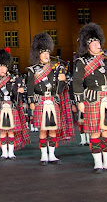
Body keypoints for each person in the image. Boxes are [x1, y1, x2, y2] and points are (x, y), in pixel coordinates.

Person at [73, 23, 107, 173]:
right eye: (93, 43)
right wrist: (79, 101)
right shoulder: (81, 61)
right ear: (87, 46)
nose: (97, 45)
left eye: (98, 42)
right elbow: (77, 82)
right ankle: (98, 162)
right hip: (93, 97)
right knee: (95, 131)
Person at [26, 32, 70, 165]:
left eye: (47, 52)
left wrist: (63, 80)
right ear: (37, 54)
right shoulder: (32, 70)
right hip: (40, 101)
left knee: (53, 129)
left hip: (52, 101)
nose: (46, 55)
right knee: (43, 129)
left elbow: (59, 89)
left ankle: (52, 154)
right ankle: (43, 155)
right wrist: (31, 102)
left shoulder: (55, 69)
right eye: (43, 52)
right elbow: (30, 88)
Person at [0, 48, 30, 159]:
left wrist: (20, 91)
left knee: (11, 132)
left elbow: (16, 96)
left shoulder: (13, 80)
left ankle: (11, 152)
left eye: (4, 67)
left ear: (7, 68)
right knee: (2, 132)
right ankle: (3, 152)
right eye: (0, 67)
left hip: (11, 107)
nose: (2, 69)